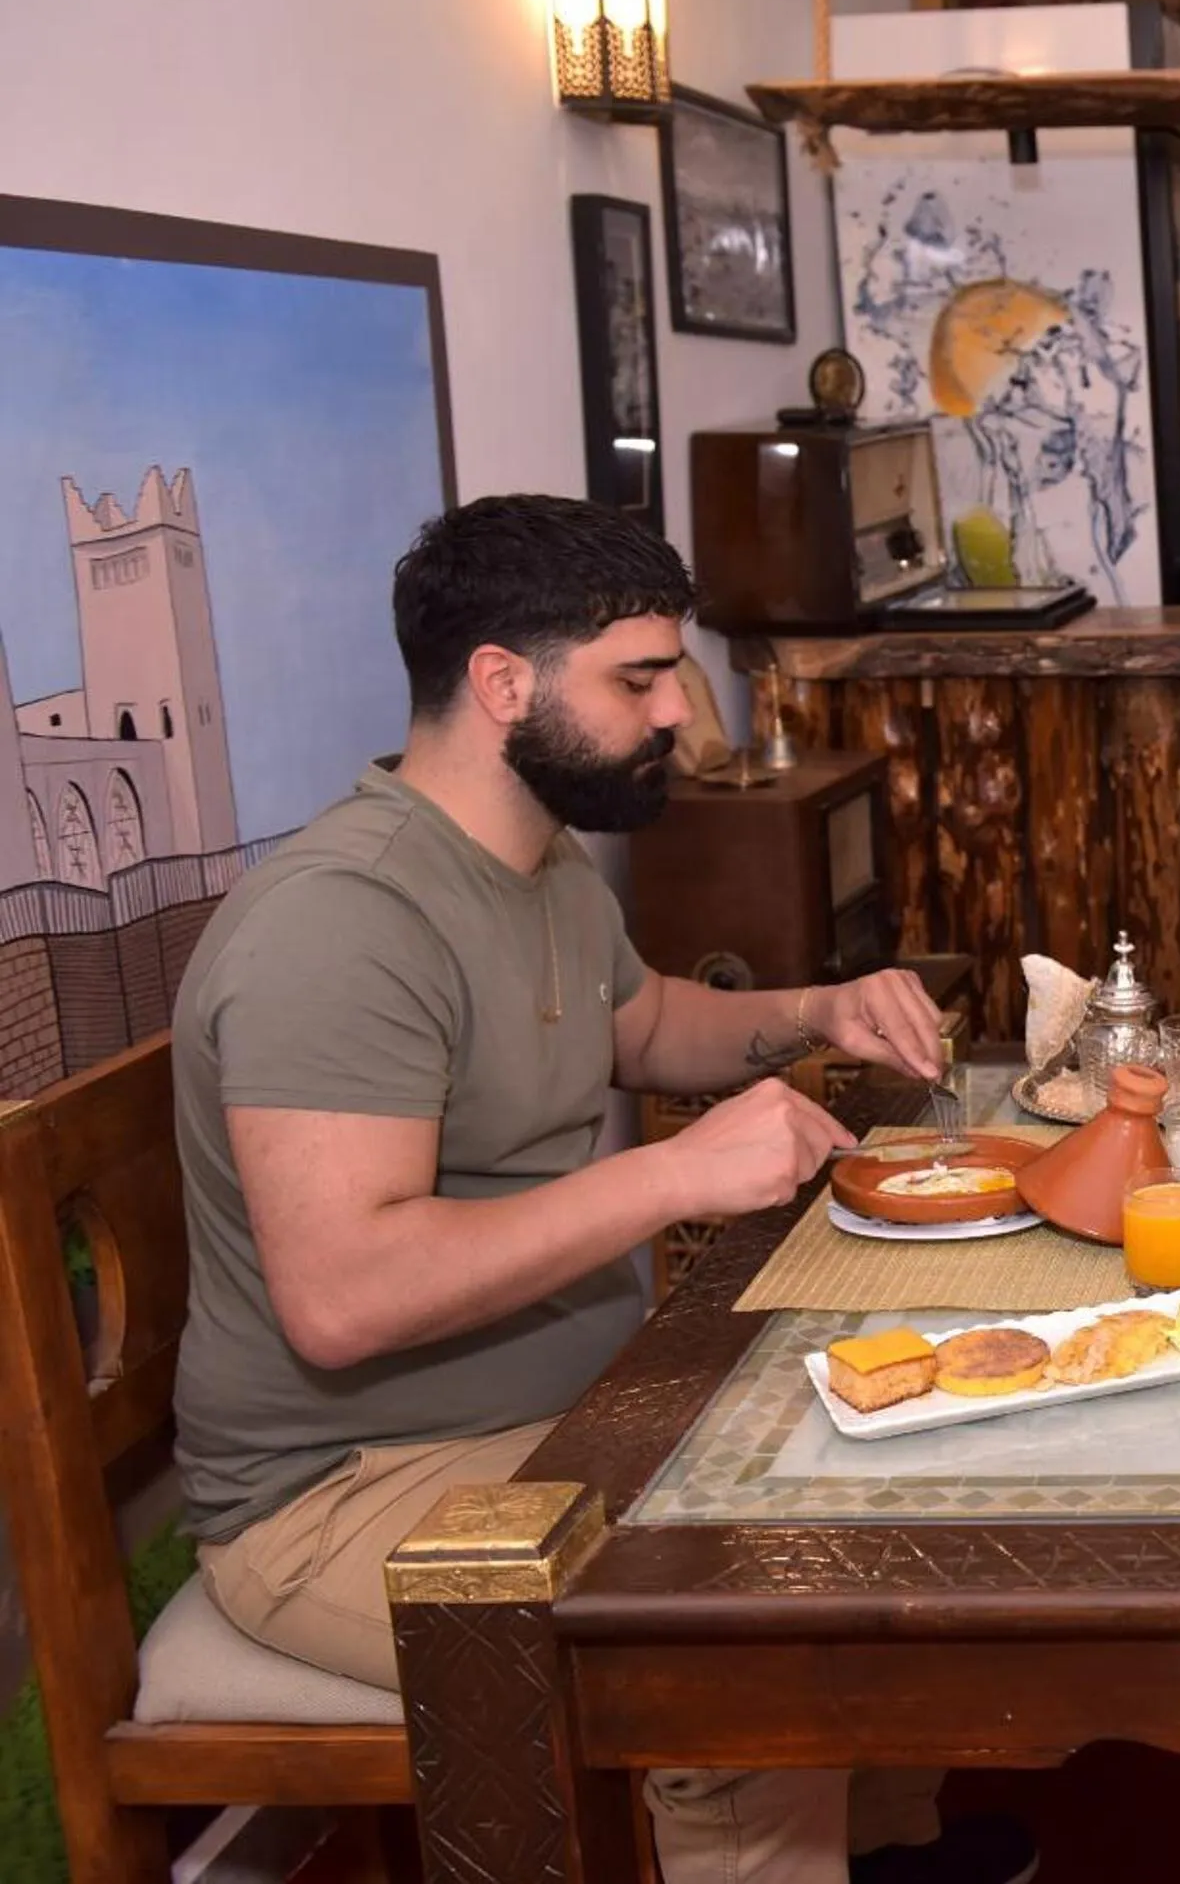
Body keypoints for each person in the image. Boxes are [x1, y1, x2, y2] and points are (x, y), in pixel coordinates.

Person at [171, 496, 1032, 1884]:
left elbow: (637, 1026)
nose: (678, 715)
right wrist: (673, 1172)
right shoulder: (342, 926)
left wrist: (824, 1007)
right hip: (347, 1493)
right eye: (638, 678)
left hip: (554, 1417)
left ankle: (876, 1850)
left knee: (892, 1460)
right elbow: (341, 1298)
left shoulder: (535, 864)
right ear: (503, 682)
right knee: (745, 1636)